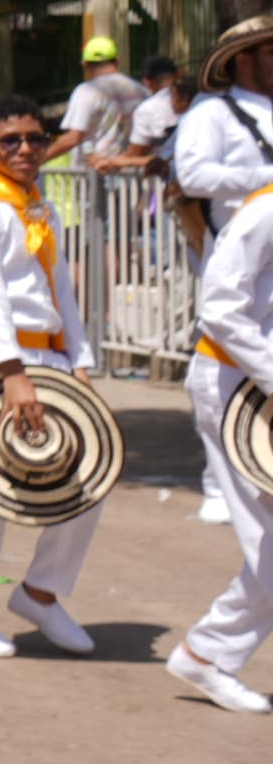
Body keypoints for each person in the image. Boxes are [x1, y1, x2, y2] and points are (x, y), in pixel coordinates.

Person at [0, 95, 101, 657]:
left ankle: (41, 593)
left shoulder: (37, 206)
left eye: (36, 137)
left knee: (87, 477)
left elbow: (65, 295)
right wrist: (12, 373)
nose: (27, 148)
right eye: (12, 140)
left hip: (46, 357)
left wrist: (80, 360)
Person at [173, 178, 273, 712]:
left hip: (256, 386)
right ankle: (209, 653)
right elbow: (220, 307)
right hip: (237, 388)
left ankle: (210, 651)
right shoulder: (266, 212)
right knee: (270, 543)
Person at [173, 13, 273, 235]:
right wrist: (266, 178)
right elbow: (193, 177)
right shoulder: (211, 113)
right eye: (271, 53)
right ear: (243, 60)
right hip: (240, 257)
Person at [55, 33, 142, 165]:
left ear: (85, 64)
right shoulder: (141, 91)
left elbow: (73, 137)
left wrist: (40, 159)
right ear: (118, 61)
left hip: (95, 175)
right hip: (131, 176)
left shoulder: (86, 91)